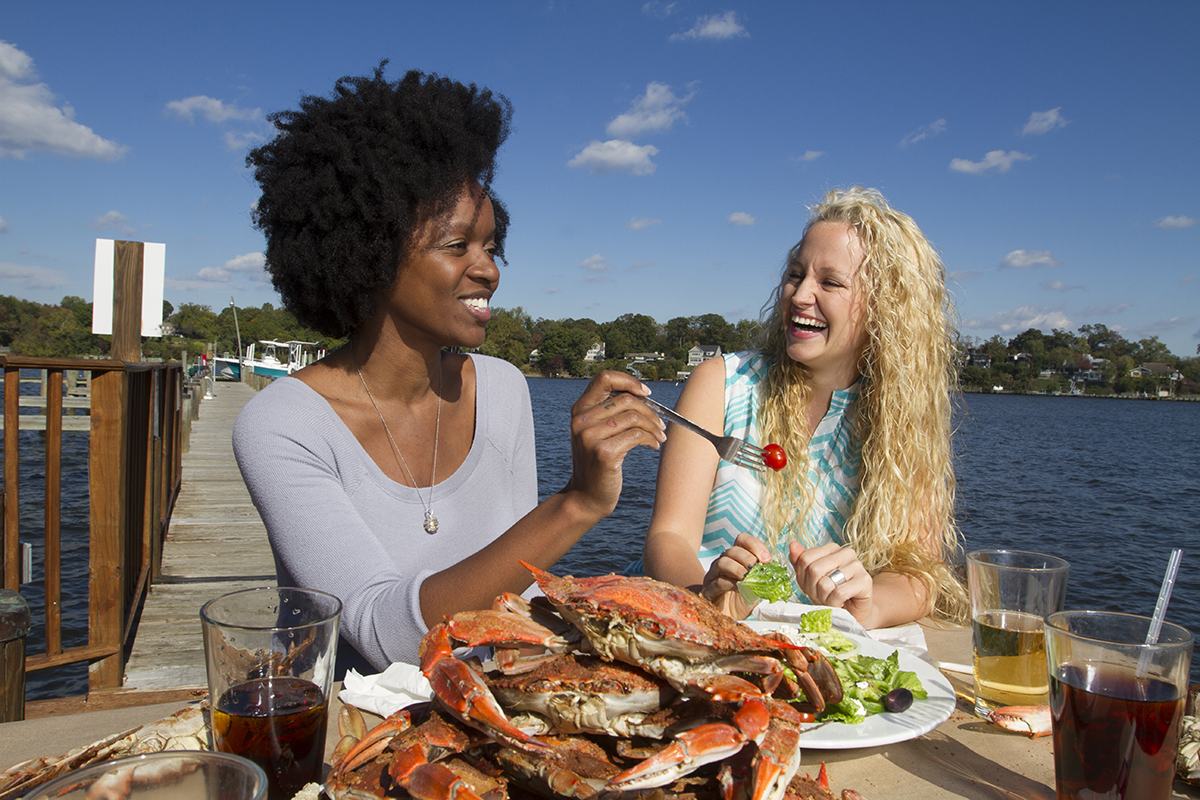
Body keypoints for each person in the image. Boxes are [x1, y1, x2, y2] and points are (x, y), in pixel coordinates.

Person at [233, 65, 665, 673]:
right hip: (337, 736)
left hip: (481, 720)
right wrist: (576, 503)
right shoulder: (282, 424)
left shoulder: (504, 389)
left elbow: (520, 598)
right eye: (457, 245)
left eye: (491, 245)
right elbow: (383, 638)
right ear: (371, 254)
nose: (488, 269)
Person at [642, 187, 966, 629]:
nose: (799, 294)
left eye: (830, 282)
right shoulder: (721, 383)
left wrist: (869, 604)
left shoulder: (904, 422)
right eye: (796, 274)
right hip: (700, 634)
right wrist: (705, 600)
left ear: (886, 310)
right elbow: (668, 536)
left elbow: (920, 575)